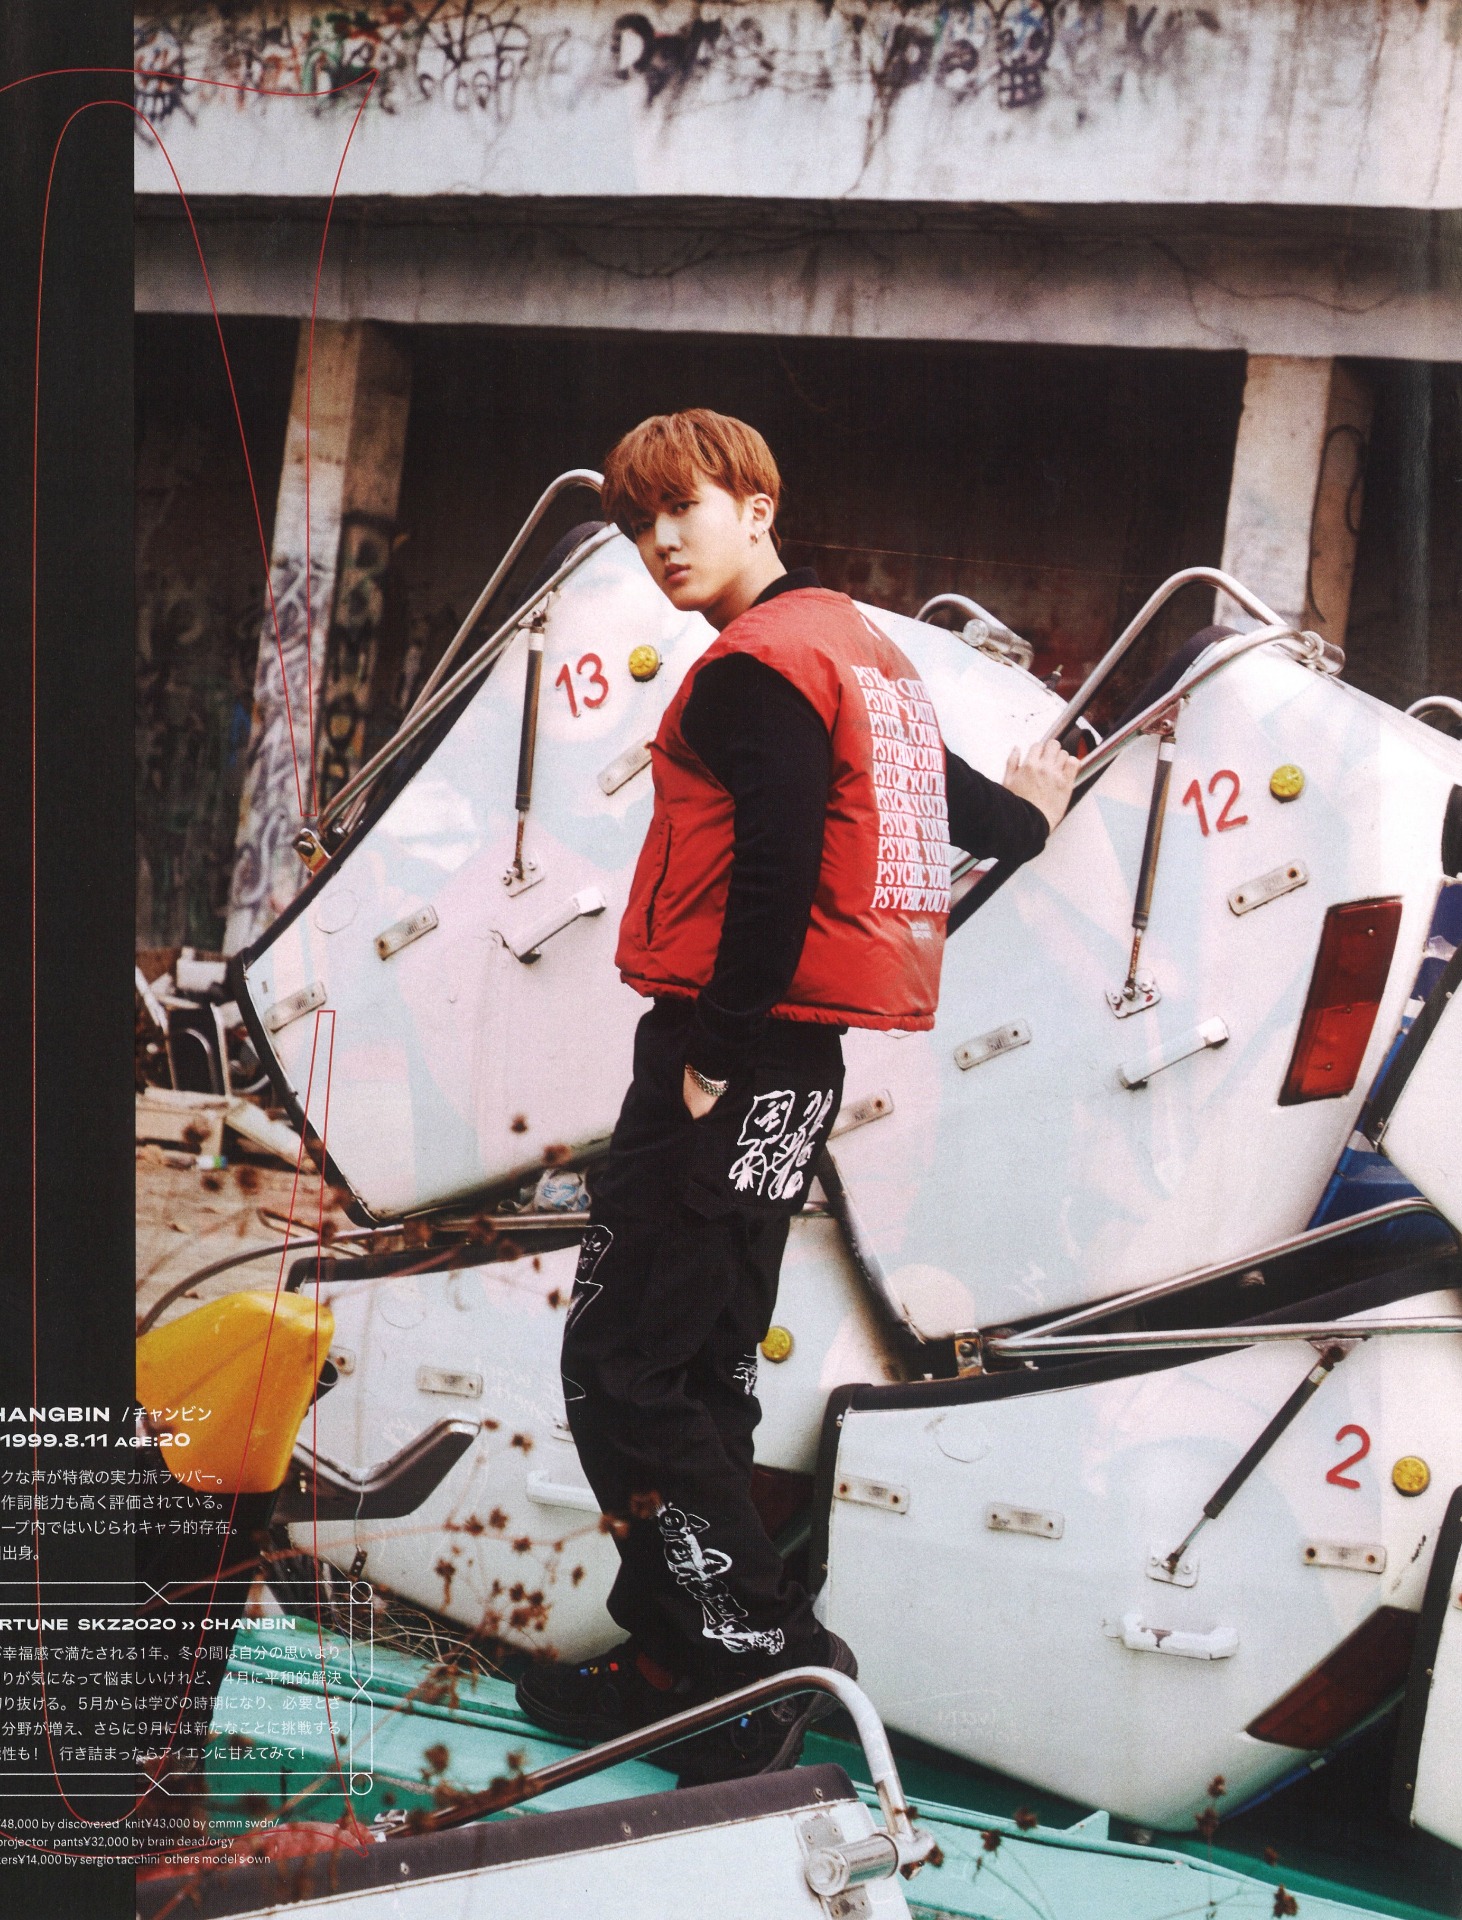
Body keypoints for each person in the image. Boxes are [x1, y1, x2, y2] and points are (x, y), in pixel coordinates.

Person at [516, 409, 1076, 1783]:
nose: (660, 542)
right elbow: (956, 811)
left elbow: (770, 873)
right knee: (703, 1362)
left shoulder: (751, 674)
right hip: (799, 1065)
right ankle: (675, 1654)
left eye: (684, 509)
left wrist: (710, 1050)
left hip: (728, 1057)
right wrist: (1032, 813)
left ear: (756, 507)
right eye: (638, 522)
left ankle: (756, 1665)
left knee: (620, 1369)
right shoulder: (853, 654)